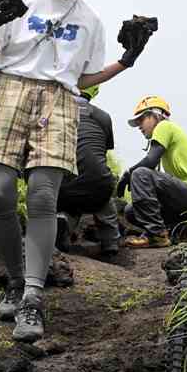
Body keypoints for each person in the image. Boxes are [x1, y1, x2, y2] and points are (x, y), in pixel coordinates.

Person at [0, 0, 155, 343]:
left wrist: (127, 61)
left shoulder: (91, 20)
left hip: (59, 100)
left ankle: (32, 296)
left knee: (44, 196)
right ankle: (15, 280)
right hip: (7, 89)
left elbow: (82, 78)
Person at [116, 96, 187, 248]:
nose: (139, 126)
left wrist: (127, 174)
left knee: (140, 173)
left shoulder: (164, 126)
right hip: (186, 200)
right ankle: (173, 229)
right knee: (131, 211)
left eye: (141, 119)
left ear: (155, 115)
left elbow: (150, 161)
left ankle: (156, 235)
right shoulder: (169, 134)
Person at [56, 84, 121, 256]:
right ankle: (111, 242)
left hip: (64, 183)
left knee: (69, 204)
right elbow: (100, 153)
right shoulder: (103, 117)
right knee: (103, 194)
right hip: (98, 183)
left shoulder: (56, 110)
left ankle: (63, 224)